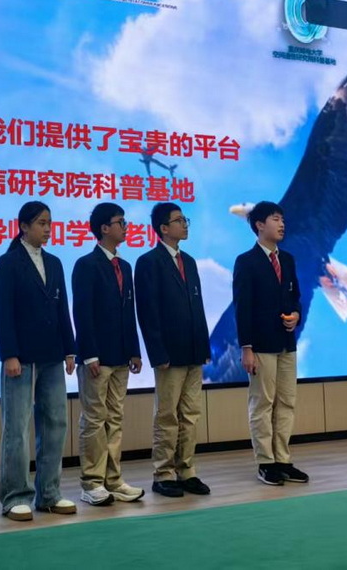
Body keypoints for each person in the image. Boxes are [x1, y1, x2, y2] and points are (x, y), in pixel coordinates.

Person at [0, 201, 78, 521]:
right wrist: (9, 354)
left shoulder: (54, 262)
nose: (47, 228)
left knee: (56, 423)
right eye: (41, 223)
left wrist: (70, 349)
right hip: (21, 357)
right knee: (16, 427)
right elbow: (2, 312)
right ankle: (15, 495)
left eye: (49, 223)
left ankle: (50, 493)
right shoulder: (9, 262)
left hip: (52, 355)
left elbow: (62, 308)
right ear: (24, 227)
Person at [135, 202, 212, 498]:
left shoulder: (189, 261)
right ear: (164, 228)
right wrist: (158, 353)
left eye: (185, 219)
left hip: (193, 350)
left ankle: (187, 470)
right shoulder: (149, 262)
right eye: (179, 220)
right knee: (167, 415)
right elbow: (147, 312)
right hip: (169, 353)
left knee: (191, 414)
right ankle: (163, 473)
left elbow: (198, 306)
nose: (185, 224)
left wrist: (204, 346)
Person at [72, 202, 145, 506]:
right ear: (104, 228)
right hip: (97, 358)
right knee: (94, 419)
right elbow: (82, 312)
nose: (125, 227)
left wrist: (134, 350)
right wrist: (89, 354)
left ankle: (113, 480)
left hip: (121, 356)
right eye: (120, 222)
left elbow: (129, 312)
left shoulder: (125, 267)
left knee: (115, 418)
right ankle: (91, 482)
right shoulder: (86, 265)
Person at [234, 200, 309, 486]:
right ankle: (266, 462)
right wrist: (246, 347)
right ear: (259, 225)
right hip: (261, 345)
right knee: (262, 404)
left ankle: (283, 460)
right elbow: (242, 307)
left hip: (287, 342)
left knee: (286, 402)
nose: (282, 224)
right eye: (275, 219)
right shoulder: (246, 261)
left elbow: (295, 297)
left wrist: (296, 315)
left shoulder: (287, 259)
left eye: (282, 219)